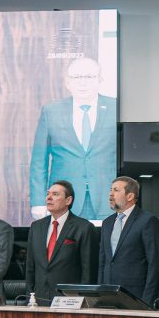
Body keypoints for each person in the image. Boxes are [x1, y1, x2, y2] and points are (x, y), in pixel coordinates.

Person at [29, 58, 117, 221]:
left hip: (107, 198)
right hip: (64, 200)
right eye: (77, 77)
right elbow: (38, 161)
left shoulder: (116, 108)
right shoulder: (51, 111)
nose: (82, 83)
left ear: (100, 80)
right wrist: (38, 202)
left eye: (89, 77)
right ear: (68, 82)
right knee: (65, 246)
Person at [26, 180, 98, 301]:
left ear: (68, 200)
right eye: (48, 194)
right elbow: (30, 267)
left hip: (70, 300)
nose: (49, 198)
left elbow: (88, 270)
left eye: (55, 194)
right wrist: (29, 297)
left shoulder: (84, 227)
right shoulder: (36, 227)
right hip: (39, 299)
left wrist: (84, 299)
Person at [98, 177, 159, 305]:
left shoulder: (147, 221)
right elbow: (103, 261)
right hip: (108, 295)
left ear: (130, 196)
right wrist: (99, 293)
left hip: (135, 296)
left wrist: (147, 301)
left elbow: (155, 263)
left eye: (116, 190)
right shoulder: (107, 223)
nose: (111, 194)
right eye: (110, 190)